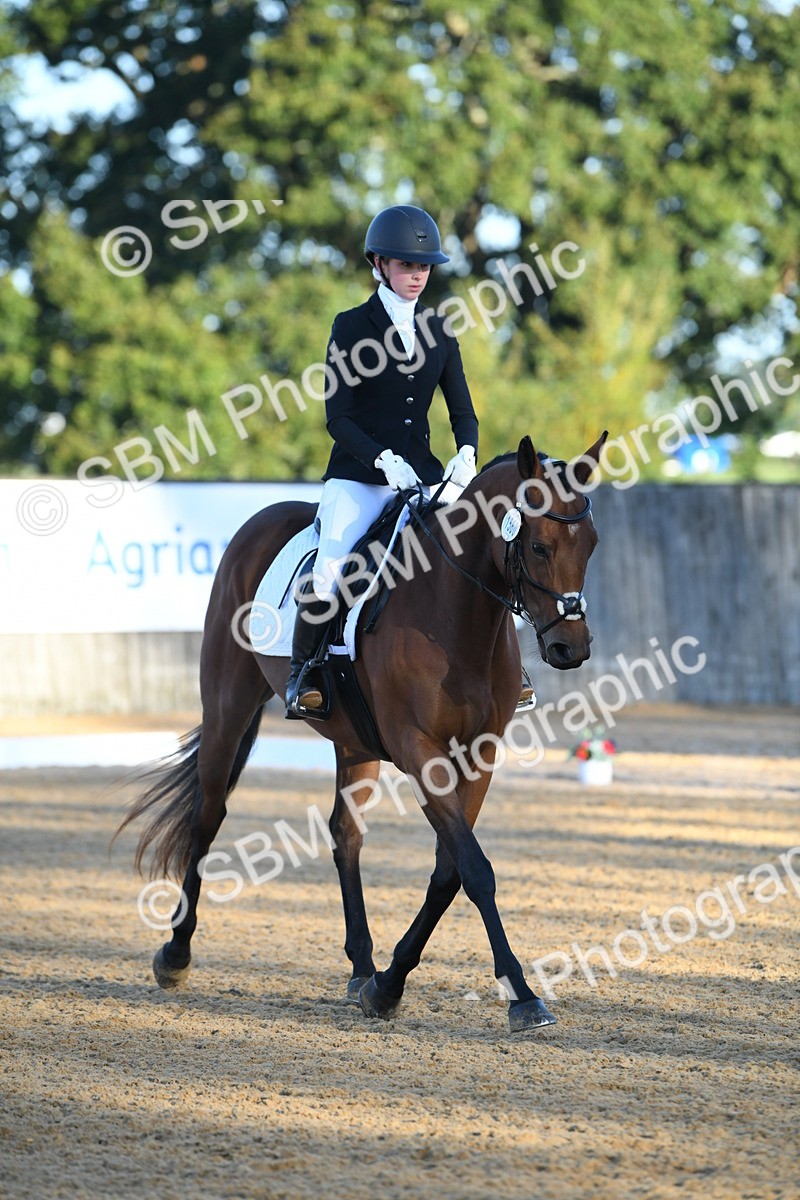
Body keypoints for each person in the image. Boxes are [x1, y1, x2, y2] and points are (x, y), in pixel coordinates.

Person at [285, 204, 533, 716]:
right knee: (332, 570)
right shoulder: (351, 326)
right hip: (360, 476)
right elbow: (339, 416)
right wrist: (383, 462)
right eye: (405, 266)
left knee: (480, 554)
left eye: (423, 267)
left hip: (425, 477)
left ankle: (513, 669)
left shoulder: (440, 330)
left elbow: (463, 411)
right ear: (378, 264)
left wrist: (466, 454)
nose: (416, 275)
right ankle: (304, 674)